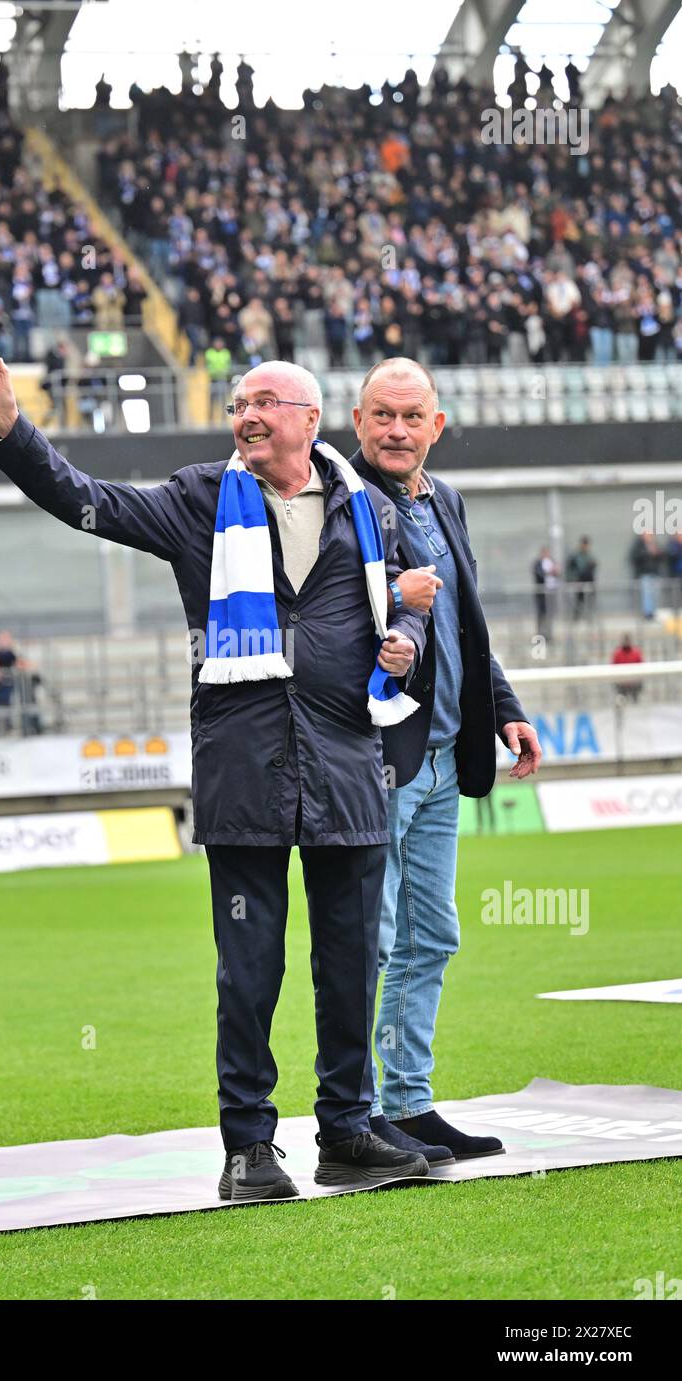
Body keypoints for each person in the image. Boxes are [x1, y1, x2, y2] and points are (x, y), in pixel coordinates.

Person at [0, 341, 429, 1200]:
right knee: (249, 971)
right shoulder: (197, 498)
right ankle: (248, 1147)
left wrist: (408, 638)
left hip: (349, 766)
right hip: (245, 768)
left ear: (308, 420)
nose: (245, 414)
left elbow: (401, 609)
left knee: (352, 961)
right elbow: (89, 504)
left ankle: (348, 1130)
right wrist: (15, 430)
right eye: (239, 403)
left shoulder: (371, 511)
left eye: (264, 403)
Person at [351, 357, 543, 1162]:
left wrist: (504, 709)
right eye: (383, 416)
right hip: (376, 759)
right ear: (358, 422)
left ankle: (410, 1103)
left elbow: (467, 624)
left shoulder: (445, 498)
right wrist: (399, 601)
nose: (397, 431)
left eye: (413, 417)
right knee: (373, 938)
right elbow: (338, 623)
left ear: (437, 425)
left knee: (432, 937)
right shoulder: (342, 501)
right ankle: (356, 1115)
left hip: (441, 761)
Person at [566, 536, 598, 620]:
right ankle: (577, 616)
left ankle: (588, 615)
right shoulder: (575, 556)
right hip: (578, 583)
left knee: (588, 600)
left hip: (588, 582)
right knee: (578, 601)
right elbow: (570, 570)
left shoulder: (589, 556)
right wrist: (573, 580)